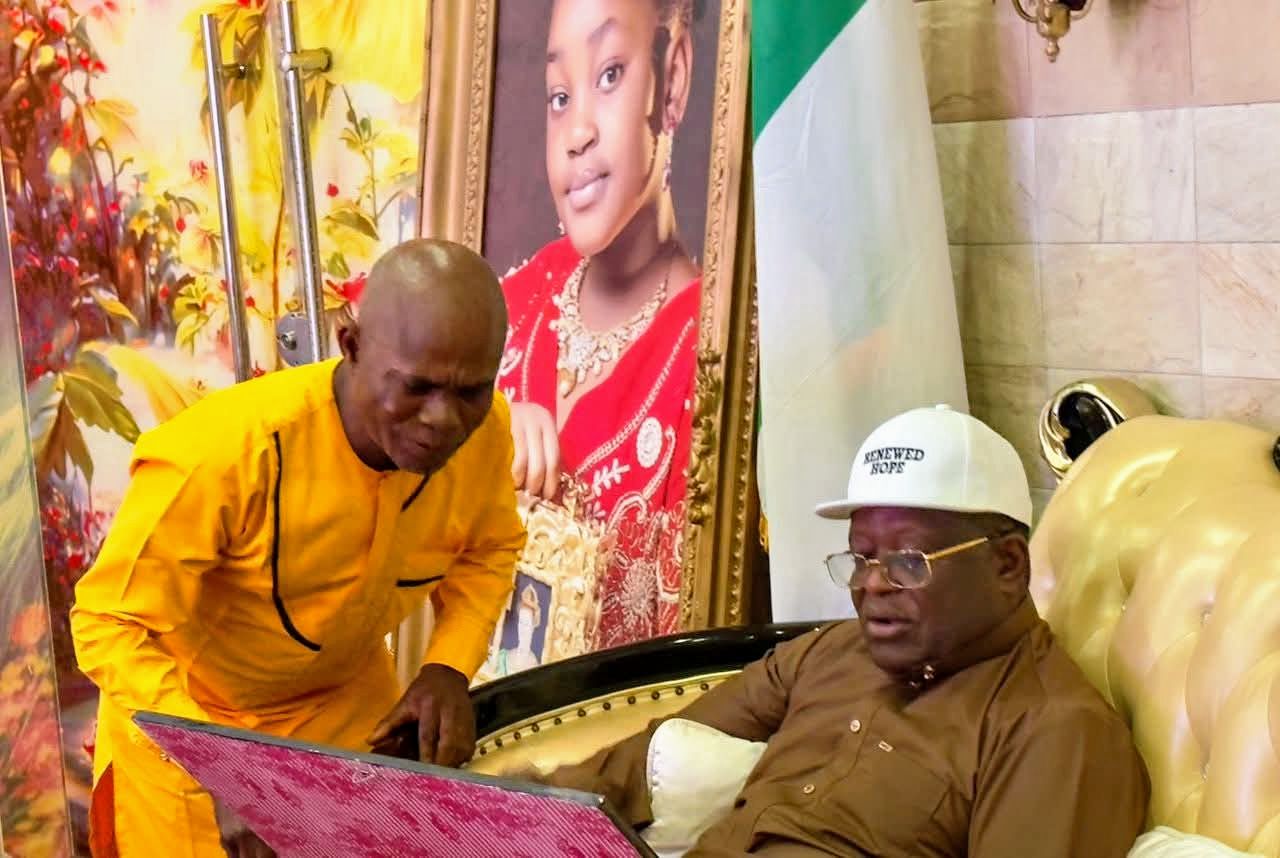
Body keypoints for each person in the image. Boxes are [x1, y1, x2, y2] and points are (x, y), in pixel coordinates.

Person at [70, 239, 526, 857]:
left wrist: (447, 666)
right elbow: (108, 622)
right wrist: (223, 770)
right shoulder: (226, 454)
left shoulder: (486, 431)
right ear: (352, 346)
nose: (444, 420)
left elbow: (489, 549)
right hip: (193, 730)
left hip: (345, 715)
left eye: (470, 391)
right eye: (416, 387)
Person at [535, 405, 1150, 857]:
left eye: (908, 562)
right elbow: (635, 765)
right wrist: (521, 813)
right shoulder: (831, 653)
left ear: (1008, 565)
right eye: (860, 558)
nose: (870, 585)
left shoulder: (1052, 729)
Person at [497, 0, 702, 651]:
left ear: (672, 78)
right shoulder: (511, 306)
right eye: (560, 96)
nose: (577, 132)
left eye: (610, 74)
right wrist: (479, 436)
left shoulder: (711, 351)